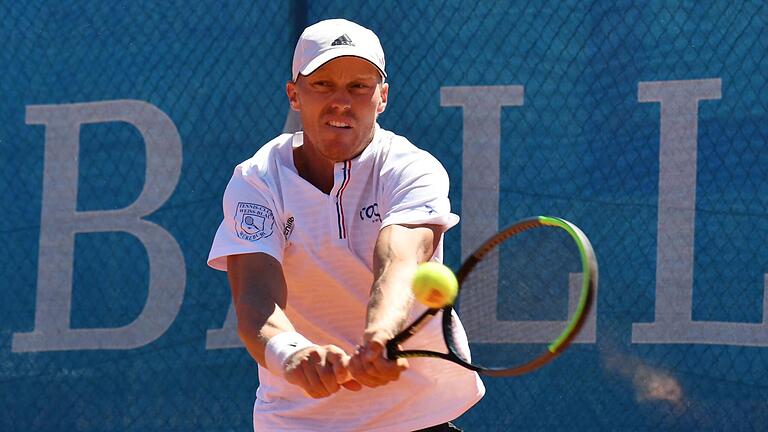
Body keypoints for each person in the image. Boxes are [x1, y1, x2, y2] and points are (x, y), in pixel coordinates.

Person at [208, 18, 484, 431]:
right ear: (294, 95)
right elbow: (255, 300)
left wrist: (380, 335)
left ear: (382, 97)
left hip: (416, 412)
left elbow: (399, 260)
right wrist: (293, 354)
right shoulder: (257, 180)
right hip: (298, 420)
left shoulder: (412, 169)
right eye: (322, 84)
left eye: (359, 86)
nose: (341, 101)